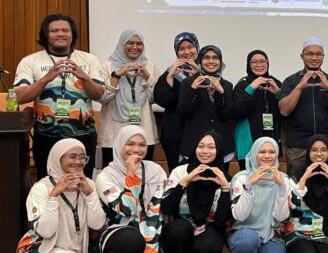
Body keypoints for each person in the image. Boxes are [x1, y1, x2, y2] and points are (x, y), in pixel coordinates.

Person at [12, 14, 105, 179]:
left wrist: (84, 78)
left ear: (73, 34)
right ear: (45, 35)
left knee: (82, 182)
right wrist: (45, 79)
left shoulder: (89, 59)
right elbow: (19, 97)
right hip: (46, 136)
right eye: (54, 31)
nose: (60, 34)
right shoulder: (31, 61)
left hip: (83, 134)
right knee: (48, 183)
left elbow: (99, 95)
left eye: (65, 30)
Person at [16, 139, 107, 253]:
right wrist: (54, 195)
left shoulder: (88, 184)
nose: (78, 161)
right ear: (58, 158)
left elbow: (97, 224)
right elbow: (46, 231)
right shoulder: (41, 188)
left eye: (82, 157)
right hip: (40, 252)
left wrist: (90, 195)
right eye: (72, 156)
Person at [95, 126, 171, 253]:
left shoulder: (155, 171)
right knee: (130, 240)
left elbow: (156, 210)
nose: (137, 149)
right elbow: (127, 209)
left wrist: (149, 250)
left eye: (142, 145)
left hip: (150, 231)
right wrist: (131, 174)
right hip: (119, 234)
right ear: (119, 145)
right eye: (130, 144)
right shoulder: (106, 176)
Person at [161, 132, 232, 253]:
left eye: (211, 147)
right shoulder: (180, 171)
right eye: (201, 146)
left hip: (209, 227)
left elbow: (222, 220)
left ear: (219, 150)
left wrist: (225, 188)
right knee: (178, 229)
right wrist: (185, 181)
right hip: (182, 226)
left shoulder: (225, 177)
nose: (205, 151)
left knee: (210, 246)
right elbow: (166, 208)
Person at [229, 137, 290, 253]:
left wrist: (281, 188)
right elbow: (240, 216)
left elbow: (281, 217)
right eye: (262, 152)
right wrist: (249, 185)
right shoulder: (241, 177)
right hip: (245, 232)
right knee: (248, 240)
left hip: (272, 234)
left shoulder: (283, 179)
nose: (267, 156)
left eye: (272, 152)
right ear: (254, 153)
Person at [279, 38, 328, 178]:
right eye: (309, 54)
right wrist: (299, 87)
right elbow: (284, 110)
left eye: (318, 54)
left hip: (326, 143)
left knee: (326, 180)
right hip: (298, 143)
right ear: (302, 56)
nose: (314, 58)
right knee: (296, 181)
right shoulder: (291, 81)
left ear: (323, 56)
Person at [97, 29, 161, 166]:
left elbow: (156, 98)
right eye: (130, 43)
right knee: (114, 174)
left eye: (139, 44)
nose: (135, 47)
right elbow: (103, 98)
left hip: (144, 134)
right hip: (113, 134)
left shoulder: (150, 67)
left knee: (142, 173)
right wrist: (117, 75)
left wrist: (147, 77)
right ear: (122, 44)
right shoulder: (107, 66)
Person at [177, 45, 234, 162]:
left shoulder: (227, 85)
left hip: (221, 145)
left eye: (215, 58)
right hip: (195, 144)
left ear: (220, 61)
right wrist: (193, 89)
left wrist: (221, 92)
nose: (211, 61)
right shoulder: (188, 82)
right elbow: (183, 113)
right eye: (206, 57)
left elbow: (226, 115)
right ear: (200, 61)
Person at [153, 32, 200, 169]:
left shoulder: (206, 71)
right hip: (175, 134)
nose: (187, 52)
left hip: (200, 133)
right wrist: (170, 78)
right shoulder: (170, 72)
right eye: (181, 49)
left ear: (197, 48)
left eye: (190, 47)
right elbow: (161, 100)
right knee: (177, 172)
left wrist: (197, 75)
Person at [232, 50, 282, 170]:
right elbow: (237, 111)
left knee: (270, 173)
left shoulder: (274, 82)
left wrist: (277, 93)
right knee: (247, 174)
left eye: (262, 61)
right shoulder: (243, 84)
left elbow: (284, 112)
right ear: (248, 64)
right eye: (254, 62)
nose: (259, 65)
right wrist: (251, 87)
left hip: (271, 134)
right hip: (247, 136)